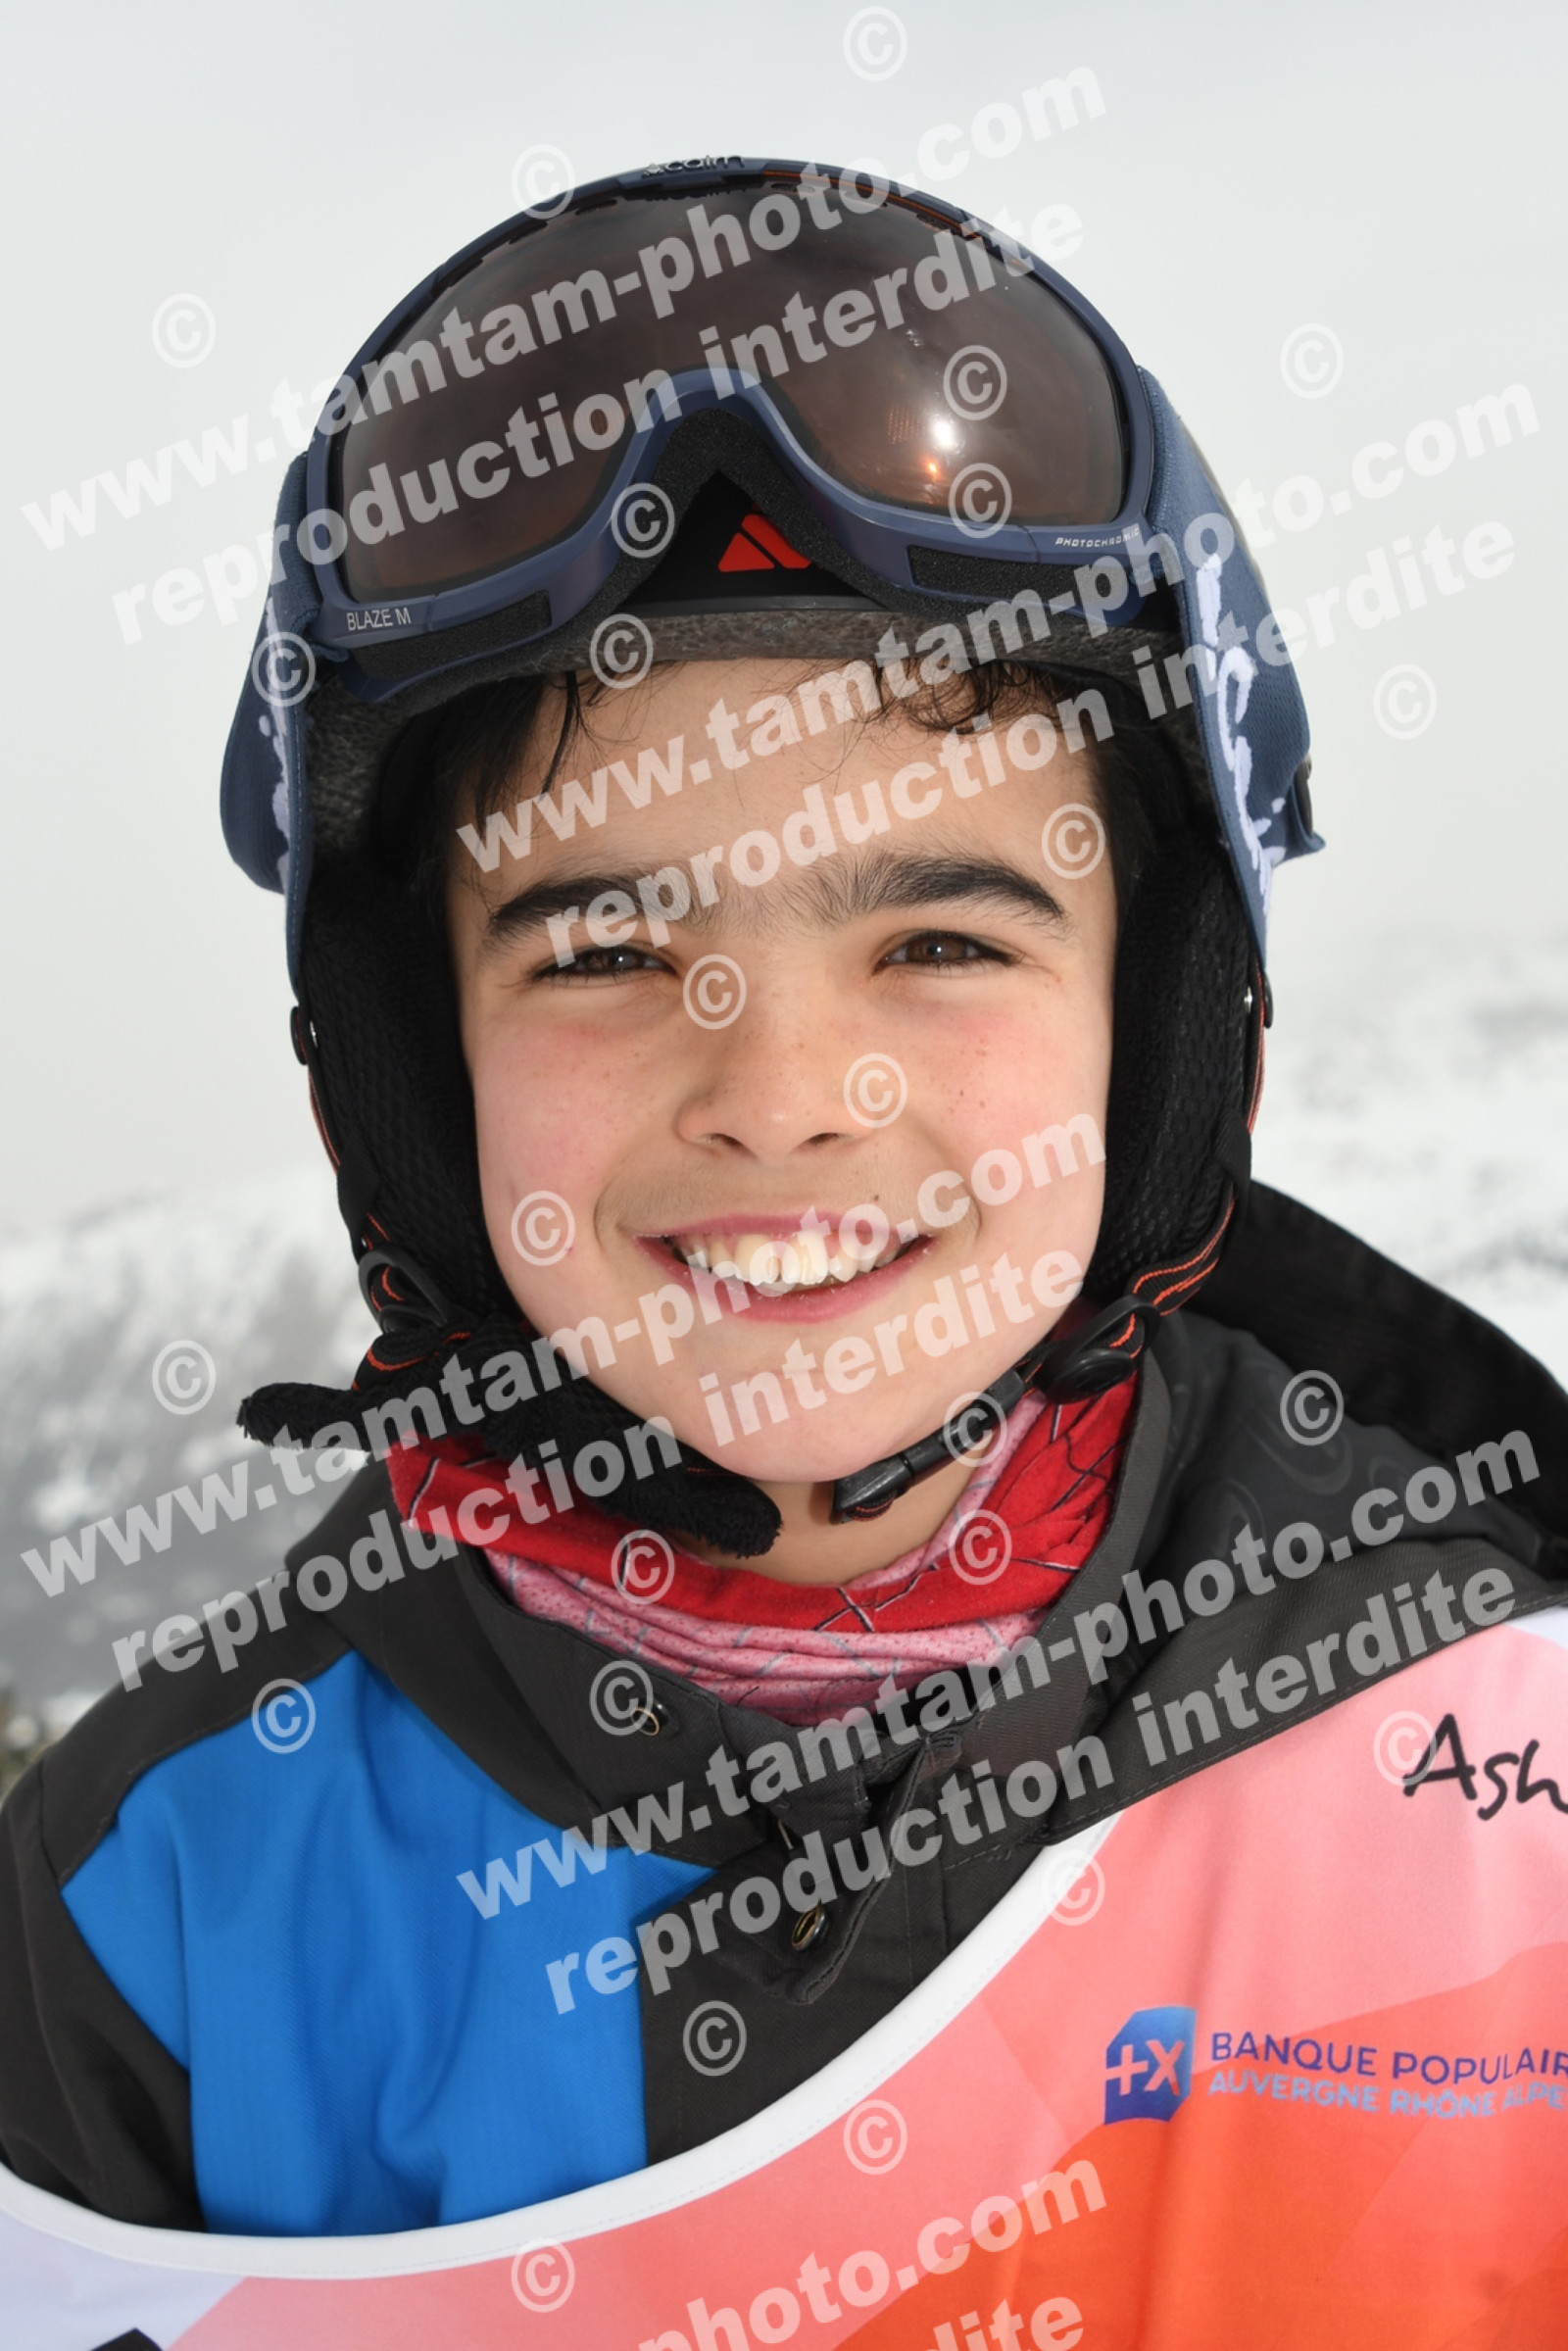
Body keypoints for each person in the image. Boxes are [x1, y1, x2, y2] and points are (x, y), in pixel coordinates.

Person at [2, 160, 1564, 2326]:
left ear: (1163, 1027)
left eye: (940, 939)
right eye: (604, 952)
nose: (780, 1090)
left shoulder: (1500, 1769)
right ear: (414, 1075)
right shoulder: (156, 1909)